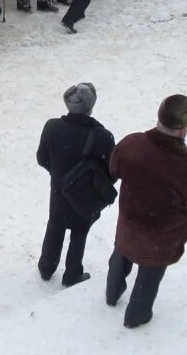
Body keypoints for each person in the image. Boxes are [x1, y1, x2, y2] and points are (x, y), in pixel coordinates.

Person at [106, 95, 187, 329]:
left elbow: (114, 167)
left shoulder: (132, 143)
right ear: (184, 129)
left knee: (120, 256)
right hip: (160, 237)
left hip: (128, 223)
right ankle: (136, 317)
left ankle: (111, 294)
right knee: (149, 273)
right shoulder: (185, 166)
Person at [36, 83, 115, 286]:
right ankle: (72, 274)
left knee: (55, 225)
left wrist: (59, 176)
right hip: (85, 196)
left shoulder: (52, 127)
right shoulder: (103, 136)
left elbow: (42, 157)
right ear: (91, 106)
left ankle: (47, 267)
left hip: (58, 191)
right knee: (80, 231)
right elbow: (111, 172)